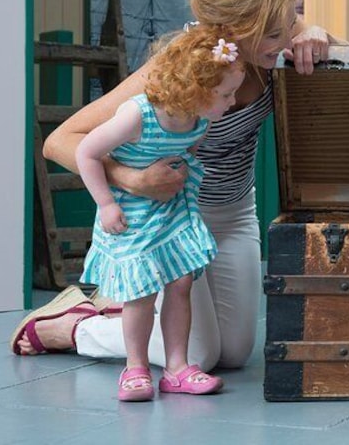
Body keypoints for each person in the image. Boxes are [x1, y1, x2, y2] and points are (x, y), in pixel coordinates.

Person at [10, 0, 336, 371]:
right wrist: (129, 179)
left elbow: (334, 52)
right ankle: (73, 326)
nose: (286, 40)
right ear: (235, 30)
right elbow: (60, 140)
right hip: (172, 218)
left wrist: (317, 31)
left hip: (235, 213)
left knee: (235, 354)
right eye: (275, 33)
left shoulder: (272, 54)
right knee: (201, 354)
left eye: (288, 26)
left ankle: (124, 308)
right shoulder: (178, 69)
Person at [80, 25, 242, 400]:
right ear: (196, 91)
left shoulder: (202, 119)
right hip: (130, 211)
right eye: (226, 94)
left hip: (170, 207)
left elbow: (188, 152)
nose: (232, 102)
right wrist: (106, 203)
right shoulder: (137, 116)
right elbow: (85, 152)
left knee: (181, 283)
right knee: (141, 292)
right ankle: (135, 367)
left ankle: (177, 366)